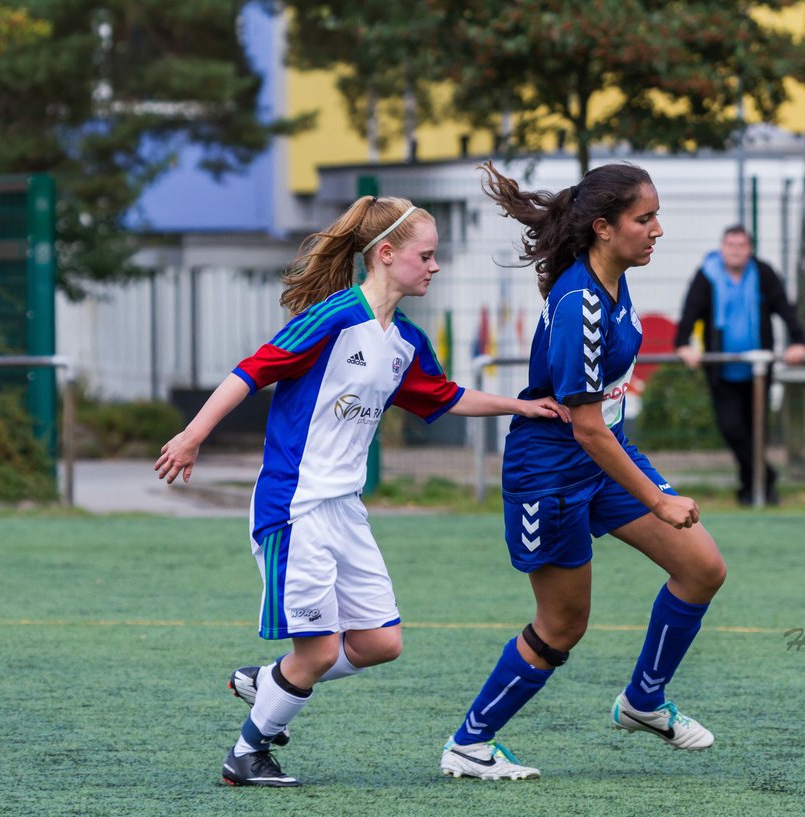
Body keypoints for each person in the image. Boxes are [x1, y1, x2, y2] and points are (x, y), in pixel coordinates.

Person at [154, 196, 566, 787]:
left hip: (345, 509)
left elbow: (445, 397)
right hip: (294, 509)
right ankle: (247, 754)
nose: (435, 266)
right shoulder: (333, 318)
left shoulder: (406, 344)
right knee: (318, 653)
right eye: (426, 255)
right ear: (387, 254)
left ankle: (272, 682)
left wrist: (520, 406)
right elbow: (252, 370)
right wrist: (192, 435)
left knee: (381, 641)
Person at [437, 163, 728, 781]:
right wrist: (657, 500)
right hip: (553, 475)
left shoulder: (612, 281)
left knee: (702, 567)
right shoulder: (580, 304)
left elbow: (602, 423)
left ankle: (643, 702)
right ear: (603, 227)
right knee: (563, 625)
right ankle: (469, 743)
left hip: (601, 460)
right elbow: (586, 424)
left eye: (656, 216)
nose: (657, 230)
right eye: (643, 218)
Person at [674, 225, 805, 506]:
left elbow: (784, 307)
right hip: (721, 371)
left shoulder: (763, 274)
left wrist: (798, 340)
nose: (736, 250)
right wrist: (683, 344)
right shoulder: (706, 276)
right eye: (730, 245)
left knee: (757, 433)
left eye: (741, 245)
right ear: (722, 248)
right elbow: (691, 311)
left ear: (749, 249)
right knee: (732, 429)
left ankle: (752, 490)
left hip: (759, 371)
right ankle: (766, 477)